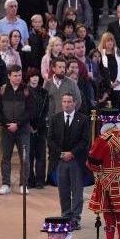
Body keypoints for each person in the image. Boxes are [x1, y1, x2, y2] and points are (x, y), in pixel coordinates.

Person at [87, 110, 120, 239]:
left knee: (108, 215)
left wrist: (100, 169)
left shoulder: (103, 139)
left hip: (108, 180)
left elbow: (91, 163)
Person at [48, 93, 90, 227]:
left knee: (77, 191)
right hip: (60, 160)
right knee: (63, 190)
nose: (66, 104)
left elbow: (85, 140)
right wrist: (61, 153)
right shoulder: (55, 119)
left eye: (69, 102)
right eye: (64, 102)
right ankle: (65, 216)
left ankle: (76, 218)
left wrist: (72, 153)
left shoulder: (83, 119)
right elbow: (50, 139)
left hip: (76, 160)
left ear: (75, 103)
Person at [0, 65, 32, 195]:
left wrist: (18, 124)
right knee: (6, 157)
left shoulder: (27, 90)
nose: (18, 78)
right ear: (9, 76)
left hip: (23, 130)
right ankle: (5, 184)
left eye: (20, 75)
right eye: (15, 75)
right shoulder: (2, 90)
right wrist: (7, 124)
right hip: (6, 130)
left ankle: (23, 184)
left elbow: (30, 111)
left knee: (25, 158)